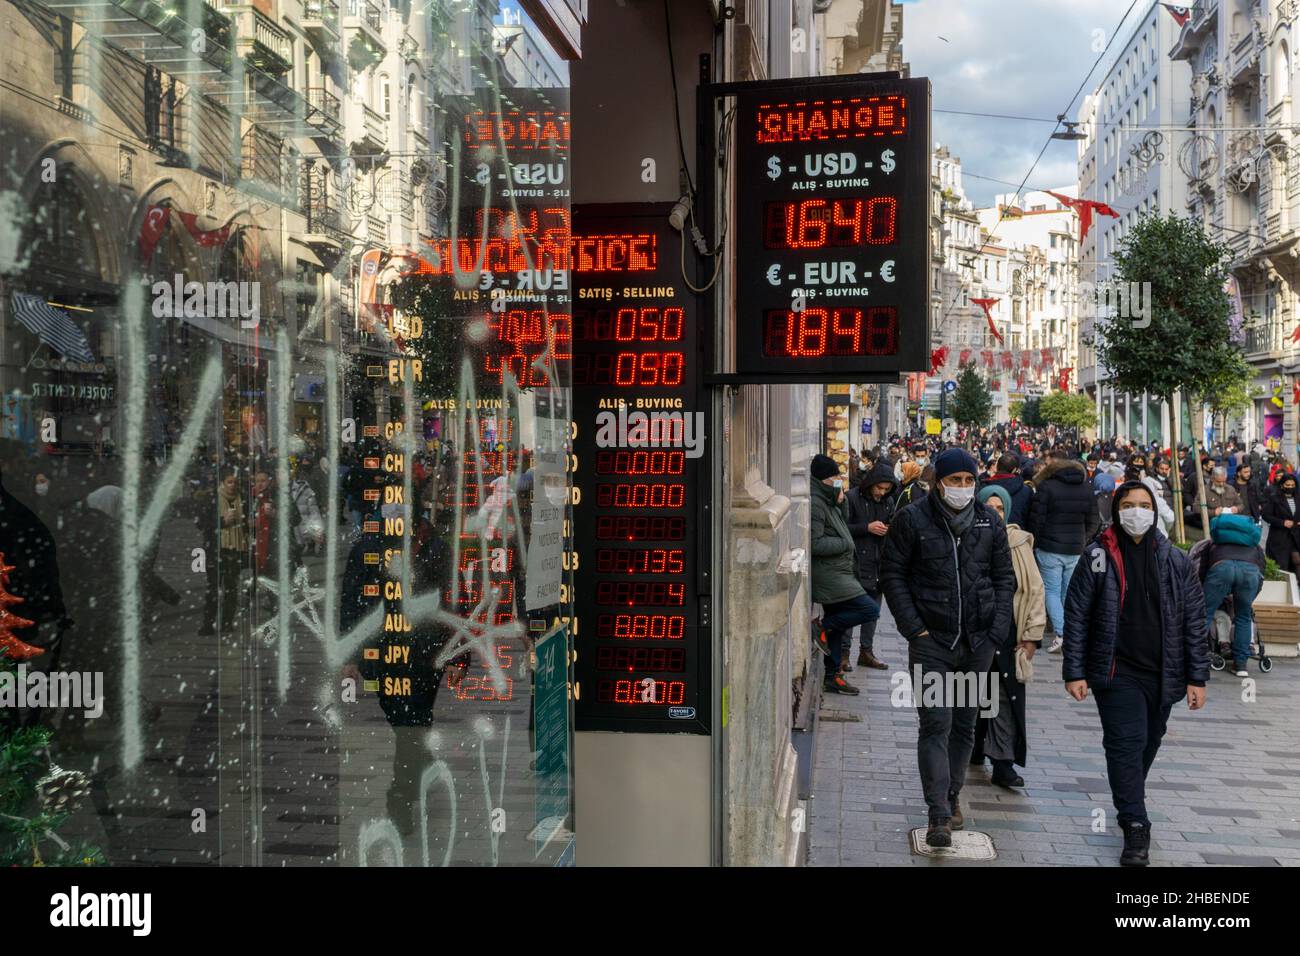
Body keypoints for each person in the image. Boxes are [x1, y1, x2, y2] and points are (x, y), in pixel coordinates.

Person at [1062, 480, 1209, 867]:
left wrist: (1198, 677)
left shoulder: (1174, 559)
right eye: (1128, 504)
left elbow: (1195, 619)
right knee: (1126, 744)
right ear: (1116, 509)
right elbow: (1077, 614)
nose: (1137, 511)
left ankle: (1129, 797)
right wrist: (1074, 671)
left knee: (1147, 743)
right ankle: (1136, 825)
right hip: (1116, 671)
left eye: (1144, 504)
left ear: (1155, 510)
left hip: (1164, 674)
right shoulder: (1098, 554)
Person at [880, 448, 1016, 848]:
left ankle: (953, 794)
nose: (961, 488)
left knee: (964, 724)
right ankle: (938, 810)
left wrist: (995, 633)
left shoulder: (988, 521)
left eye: (968, 481)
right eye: (954, 480)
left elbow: (1004, 579)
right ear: (939, 481)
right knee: (935, 723)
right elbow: (894, 574)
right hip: (932, 643)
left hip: (977, 643)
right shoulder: (913, 518)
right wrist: (914, 629)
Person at [971, 485, 1046, 789]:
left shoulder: (1019, 543)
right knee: (969, 695)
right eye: (988, 507)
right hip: (972, 634)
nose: (994, 513)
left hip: (1009, 635)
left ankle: (1002, 763)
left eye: (999, 508)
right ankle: (972, 749)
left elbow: (1035, 590)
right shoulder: (965, 538)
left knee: (1001, 697)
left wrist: (1032, 635)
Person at [809, 454, 880, 696]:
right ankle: (821, 627)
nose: (838, 481)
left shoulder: (829, 501)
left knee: (838, 628)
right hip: (830, 575)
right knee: (870, 609)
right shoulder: (816, 503)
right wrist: (844, 543)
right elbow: (815, 543)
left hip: (839, 572)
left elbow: (843, 521)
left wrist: (840, 501)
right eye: (833, 478)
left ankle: (833, 675)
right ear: (821, 480)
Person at [1026, 450, 1099, 653]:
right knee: (1068, 592)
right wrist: (1083, 539)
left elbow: (1037, 519)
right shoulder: (1086, 488)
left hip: (1050, 547)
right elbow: (1094, 519)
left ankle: (1062, 633)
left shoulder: (1046, 487)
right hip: (1075, 547)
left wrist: (1037, 541)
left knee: (1051, 591)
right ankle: (1072, 634)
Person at [845, 459, 896, 670]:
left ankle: (866, 651)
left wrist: (889, 529)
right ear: (871, 483)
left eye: (886, 489)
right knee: (849, 611)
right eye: (879, 488)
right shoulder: (852, 498)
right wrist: (867, 527)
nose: (882, 493)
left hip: (877, 564)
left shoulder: (888, 501)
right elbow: (843, 528)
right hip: (855, 563)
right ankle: (844, 653)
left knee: (872, 612)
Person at [1199, 514, 1265, 677]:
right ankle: (1241, 665)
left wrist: (1204, 592)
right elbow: (1261, 573)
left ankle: (1196, 659)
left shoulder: (1212, 544)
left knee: (1204, 613)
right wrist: (1250, 598)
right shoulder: (1255, 546)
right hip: (1250, 572)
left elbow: (1202, 571)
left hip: (1221, 568)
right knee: (1243, 616)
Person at [1261, 471, 1300, 574]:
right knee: (1282, 567)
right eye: (1288, 485)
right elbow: (1266, 515)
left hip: (1296, 536)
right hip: (1280, 538)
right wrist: (1282, 522)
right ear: (1282, 485)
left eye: (1293, 485)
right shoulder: (1274, 498)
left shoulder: (1298, 498)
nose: (1290, 487)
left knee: (1297, 561)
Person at [983, 452, 1033, 528]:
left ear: (997, 467)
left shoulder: (983, 486)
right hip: (1017, 532)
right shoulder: (1026, 490)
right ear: (1014, 470)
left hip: (989, 532)